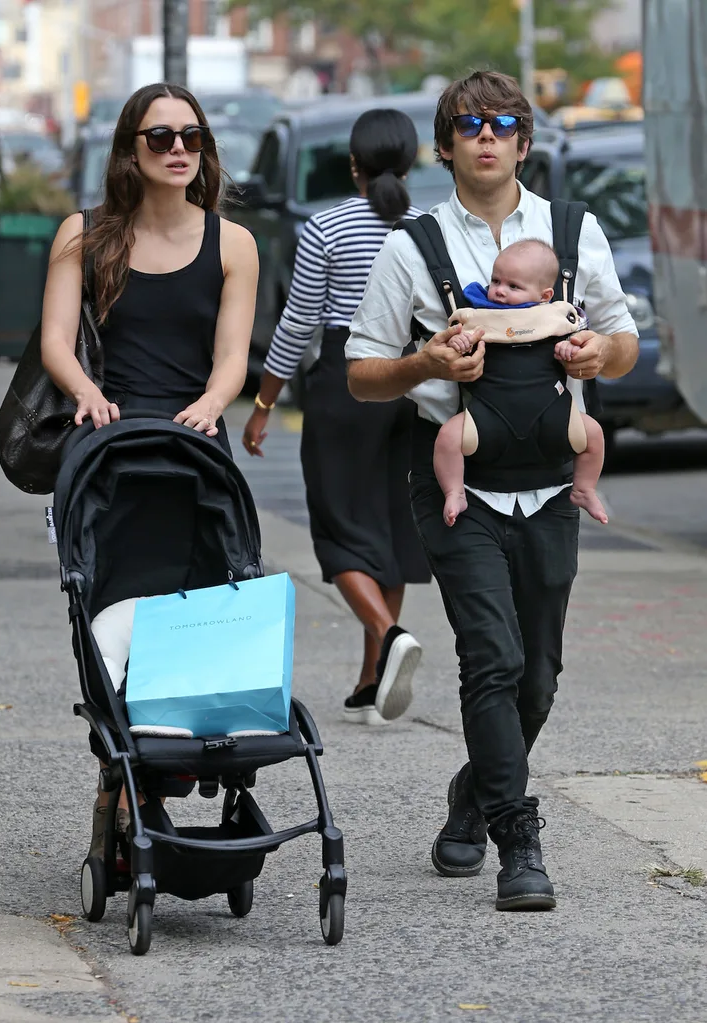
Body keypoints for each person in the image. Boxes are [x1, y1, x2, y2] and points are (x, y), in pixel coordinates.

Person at [346, 71, 638, 910]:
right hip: (458, 484)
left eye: (503, 122)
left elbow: (622, 342)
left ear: (523, 139)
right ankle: (518, 839)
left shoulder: (574, 233)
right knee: (493, 659)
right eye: (469, 124)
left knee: (538, 677)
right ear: (444, 145)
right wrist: (424, 362)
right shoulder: (413, 246)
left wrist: (596, 357)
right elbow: (362, 375)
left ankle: (473, 793)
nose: (487, 135)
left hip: (551, 484)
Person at [39, 82, 259, 855]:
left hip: (196, 451)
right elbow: (57, 341)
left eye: (191, 138)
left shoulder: (232, 243)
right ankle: (121, 772)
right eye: (160, 137)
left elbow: (234, 358)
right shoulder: (86, 234)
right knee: (106, 616)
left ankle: (155, 780)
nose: (177, 151)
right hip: (107, 447)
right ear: (130, 148)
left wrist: (211, 402)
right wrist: (86, 391)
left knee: (197, 614)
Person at [242, 108, 430, 726]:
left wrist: (264, 403)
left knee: (339, 527)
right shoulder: (428, 229)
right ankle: (374, 680)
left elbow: (297, 325)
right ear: (413, 162)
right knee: (391, 525)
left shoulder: (325, 226)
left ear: (353, 165)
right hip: (412, 381)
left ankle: (387, 632)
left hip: (344, 384)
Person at [434, 238, 608, 528]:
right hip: (488, 415)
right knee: (448, 438)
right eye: (496, 280)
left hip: (553, 414)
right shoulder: (478, 315)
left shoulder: (555, 317)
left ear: (545, 294)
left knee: (594, 435)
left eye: (513, 286)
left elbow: (577, 347)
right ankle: (454, 491)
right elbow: (456, 347)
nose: (499, 291)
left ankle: (584, 488)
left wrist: (569, 351)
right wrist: (461, 340)